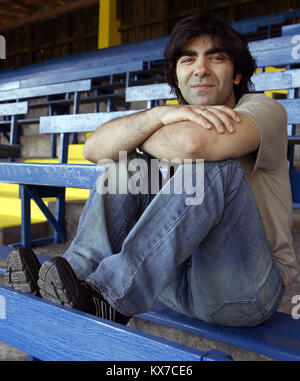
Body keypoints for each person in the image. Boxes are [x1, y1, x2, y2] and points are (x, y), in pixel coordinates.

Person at [5, 13, 298, 327]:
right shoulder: (168, 116)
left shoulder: (263, 109)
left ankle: (113, 298)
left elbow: (191, 144)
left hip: (244, 292)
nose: (201, 68)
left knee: (211, 167)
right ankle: (76, 275)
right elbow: (94, 150)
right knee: (128, 165)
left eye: (216, 58)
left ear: (238, 74)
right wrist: (156, 117)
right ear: (176, 76)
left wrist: (140, 139)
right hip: (172, 282)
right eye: (188, 60)